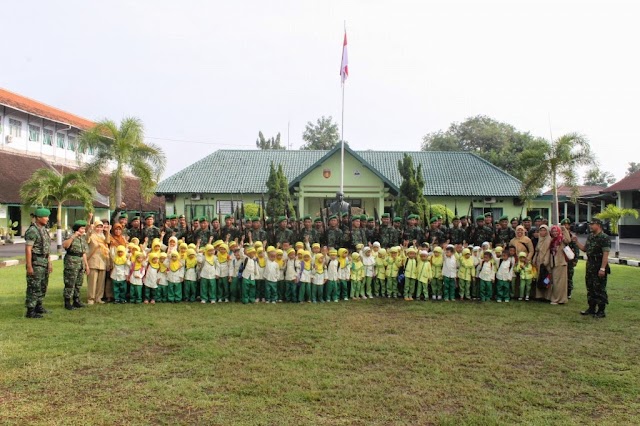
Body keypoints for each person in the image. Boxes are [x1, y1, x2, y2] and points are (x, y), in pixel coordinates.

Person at [573, 218, 610, 318]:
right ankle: (591, 308)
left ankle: (601, 311)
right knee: (590, 287)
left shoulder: (604, 237)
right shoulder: (591, 236)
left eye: (592, 224)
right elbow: (585, 249)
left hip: (598, 264)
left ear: (598, 225)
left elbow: (605, 254)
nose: (590, 226)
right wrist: (576, 242)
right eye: (590, 224)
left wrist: (602, 268)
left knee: (599, 288)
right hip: (590, 264)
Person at [24, 208, 53, 318]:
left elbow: (47, 248)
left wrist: (49, 263)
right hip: (36, 262)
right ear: (39, 218)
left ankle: (39, 306)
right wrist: (29, 266)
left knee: (42, 285)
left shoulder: (44, 230)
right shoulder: (33, 231)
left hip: (44, 261)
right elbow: (28, 249)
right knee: (34, 286)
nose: (47, 219)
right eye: (46, 217)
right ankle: (30, 310)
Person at [62, 220, 90, 310]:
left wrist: (86, 265)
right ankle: (67, 302)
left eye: (84, 228)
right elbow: (65, 246)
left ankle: (76, 300)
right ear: (77, 228)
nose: (83, 230)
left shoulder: (82, 238)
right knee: (70, 282)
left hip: (80, 261)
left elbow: (84, 253)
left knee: (78, 283)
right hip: (71, 262)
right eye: (81, 228)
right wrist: (73, 237)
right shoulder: (70, 236)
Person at [86, 216, 111, 305]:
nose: (99, 228)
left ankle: (98, 298)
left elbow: (108, 241)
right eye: (98, 226)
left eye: (101, 227)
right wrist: (89, 221)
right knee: (92, 281)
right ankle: (91, 298)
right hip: (93, 261)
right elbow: (87, 233)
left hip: (103, 261)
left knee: (101, 282)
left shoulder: (103, 236)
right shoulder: (91, 235)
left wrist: (107, 231)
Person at [548, 225, 571, 305]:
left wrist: (564, 230)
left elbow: (568, 240)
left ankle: (558, 299)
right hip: (554, 263)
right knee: (555, 281)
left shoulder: (561, 239)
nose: (555, 233)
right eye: (553, 231)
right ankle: (559, 299)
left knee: (560, 282)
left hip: (561, 263)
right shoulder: (552, 240)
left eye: (556, 231)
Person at [561, 218, 579, 299]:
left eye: (568, 227)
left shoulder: (572, 237)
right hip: (561, 258)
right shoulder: (559, 236)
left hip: (570, 259)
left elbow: (576, 249)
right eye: (565, 226)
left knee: (569, 276)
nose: (566, 228)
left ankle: (568, 292)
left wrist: (575, 260)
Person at [533, 225, 551, 301]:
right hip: (538, 260)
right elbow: (537, 251)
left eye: (544, 230)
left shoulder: (549, 240)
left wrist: (545, 262)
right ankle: (539, 296)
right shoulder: (540, 239)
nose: (542, 232)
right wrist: (534, 259)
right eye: (541, 230)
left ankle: (547, 296)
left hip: (546, 261)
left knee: (546, 278)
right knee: (539, 277)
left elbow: (549, 251)